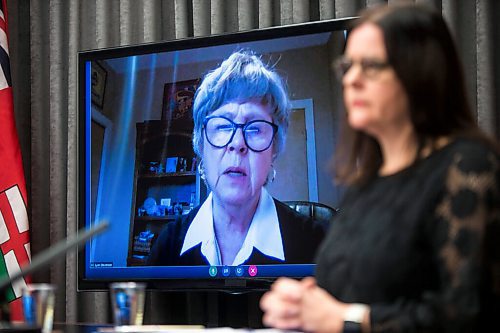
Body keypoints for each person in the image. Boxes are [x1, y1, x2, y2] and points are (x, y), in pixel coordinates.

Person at [260, 3, 500, 333]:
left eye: (371, 66)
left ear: (422, 75)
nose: (352, 79)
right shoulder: (365, 185)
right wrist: (304, 304)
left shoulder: (468, 168)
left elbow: (468, 312)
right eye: (349, 66)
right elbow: (357, 293)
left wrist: (347, 320)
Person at [147, 50, 327, 266]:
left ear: (274, 149)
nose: (238, 143)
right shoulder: (167, 247)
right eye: (223, 126)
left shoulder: (318, 245)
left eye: (255, 129)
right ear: (201, 146)